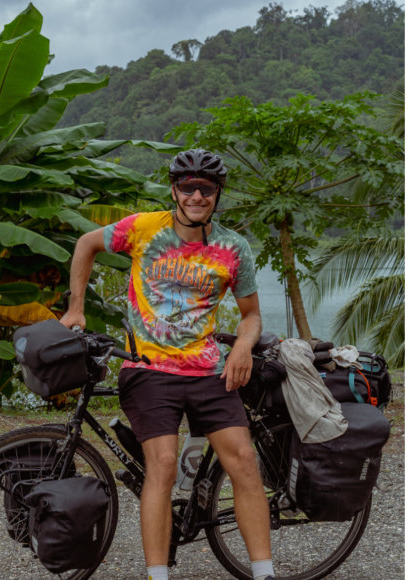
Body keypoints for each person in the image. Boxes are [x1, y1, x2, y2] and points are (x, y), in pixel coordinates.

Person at [59, 149, 276, 580]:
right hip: (148, 370)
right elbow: (86, 244)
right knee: (161, 463)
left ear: (217, 194)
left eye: (206, 188)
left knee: (244, 462)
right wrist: (76, 307)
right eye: (187, 187)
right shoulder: (143, 228)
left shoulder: (233, 248)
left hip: (208, 371)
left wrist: (242, 347)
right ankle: (159, 576)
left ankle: (264, 572)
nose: (196, 196)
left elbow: (251, 315)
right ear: (174, 190)